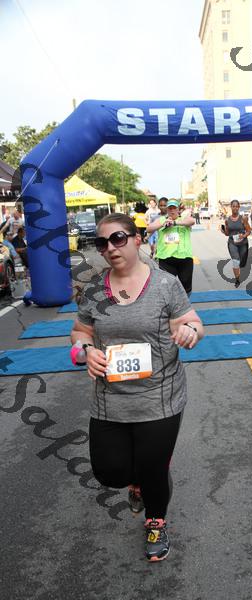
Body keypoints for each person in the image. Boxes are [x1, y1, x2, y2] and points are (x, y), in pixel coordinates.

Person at [70, 213, 204, 562]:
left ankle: (156, 521)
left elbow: (193, 323)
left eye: (118, 238)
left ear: (137, 239)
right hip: (110, 399)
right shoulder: (95, 289)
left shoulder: (165, 284)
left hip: (159, 396)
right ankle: (138, 481)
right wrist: (84, 351)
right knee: (108, 471)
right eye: (102, 243)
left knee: (153, 468)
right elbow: (80, 332)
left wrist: (189, 332)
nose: (111, 248)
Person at [147, 199, 196, 295]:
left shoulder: (184, 218)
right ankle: (170, 303)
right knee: (166, 287)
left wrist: (174, 223)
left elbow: (192, 221)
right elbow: (149, 228)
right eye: (170, 208)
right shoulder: (162, 219)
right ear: (167, 210)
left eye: (174, 208)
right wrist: (162, 224)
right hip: (166, 259)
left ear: (178, 209)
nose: (172, 210)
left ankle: (184, 302)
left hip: (184, 258)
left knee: (186, 287)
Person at [221, 199, 251, 288]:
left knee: (241, 263)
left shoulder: (243, 219)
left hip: (243, 243)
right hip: (232, 243)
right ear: (231, 207)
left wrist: (243, 236)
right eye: (233, 206)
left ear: (239, 207)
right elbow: (227, 233)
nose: (235, 208)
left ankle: (238, 271)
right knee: (235, 261)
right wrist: (223, 231)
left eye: (236, 206)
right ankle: (237, 279)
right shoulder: (227, 220)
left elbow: (249, 231)